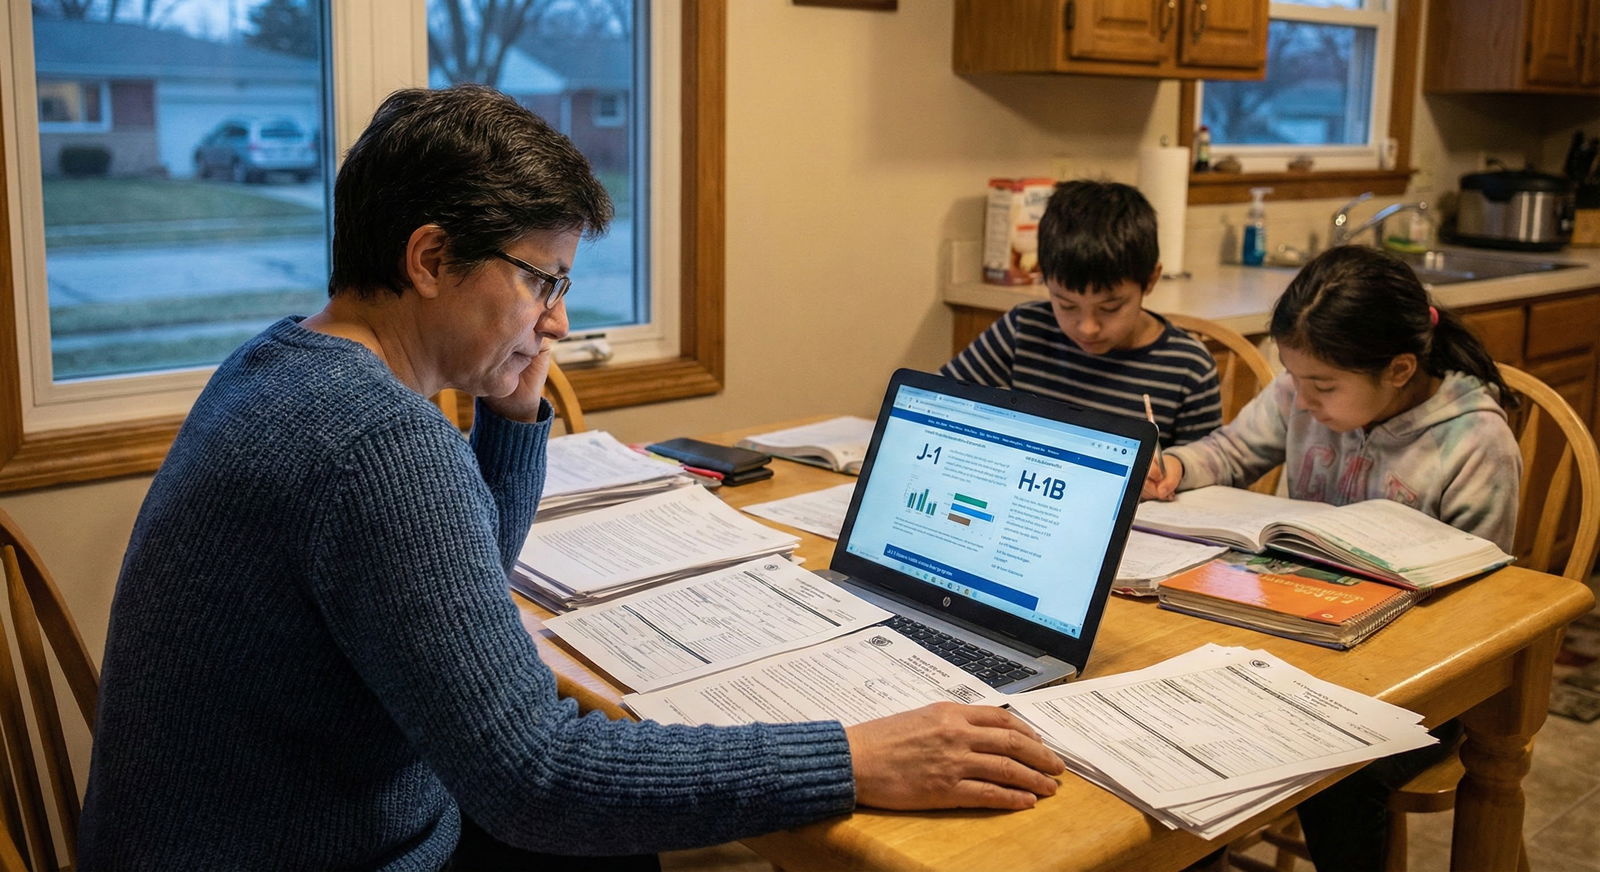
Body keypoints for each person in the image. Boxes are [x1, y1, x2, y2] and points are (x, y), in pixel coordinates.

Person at [77, 85, 1065, 871]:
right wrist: (855, 756)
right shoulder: (376, 442)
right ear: (428, 257)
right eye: (541, 279)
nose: (555, 319)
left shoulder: (287, 359)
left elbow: (460, 571)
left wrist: (509, 414)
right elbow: (535, 774)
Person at [1145, 244, 1522, 871]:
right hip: (1302, 643)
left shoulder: (1474, 444)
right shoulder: (1303, 394)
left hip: (1420, 679)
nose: (1303, 400)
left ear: (1400, 370)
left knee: (1332, 768)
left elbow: (1481, 613)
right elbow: (1234, 449)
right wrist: (1178, 465)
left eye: (1322, 386)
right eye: (1295, 379)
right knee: (1181, 720)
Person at [944, 179, 1222, 448]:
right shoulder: (1025, 329)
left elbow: (1204, 476)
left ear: (1150, 280)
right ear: (1043, 276)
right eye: (1066, 305)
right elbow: (940, 402)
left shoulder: (1188, 369)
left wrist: (1171, 474)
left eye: (1110, 308)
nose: (1087, 328)